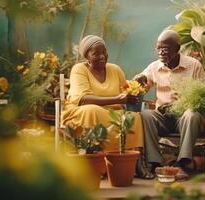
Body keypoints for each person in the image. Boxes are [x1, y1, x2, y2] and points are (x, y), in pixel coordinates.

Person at [62, 35, 154, 179]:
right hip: (80, 111)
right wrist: (116, 99)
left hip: (112, 113)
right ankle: (96, 161)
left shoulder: (115, 69)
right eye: (96, 53)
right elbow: (83, 99)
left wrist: (136, 86)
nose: (102, 56)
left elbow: (126, 90)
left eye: (104, 52)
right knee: (92, 110)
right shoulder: (79, 69)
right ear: (87, 56)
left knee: (134, 117)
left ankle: (136, 163)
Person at [134, 30, 205, 180]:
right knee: (146, 115)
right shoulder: (154, 67)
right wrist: (139, 79)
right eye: (158, 48)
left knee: (192, 114)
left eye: (165, 49)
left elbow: (202, 97)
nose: (160, 52)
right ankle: (155, 163)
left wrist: (179, 105)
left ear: (177, 48)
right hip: (163, 118)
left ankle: (182, 163)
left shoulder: (194, 65)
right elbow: (141, 84)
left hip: (184, 118)